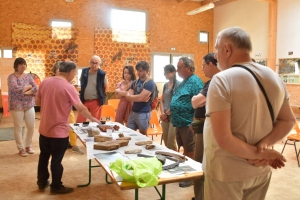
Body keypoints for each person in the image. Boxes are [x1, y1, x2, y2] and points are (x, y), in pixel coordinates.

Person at [203, 27, 295, 200]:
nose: (216, 55)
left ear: (227, 49)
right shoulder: (274, 77)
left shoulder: (222, 79)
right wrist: (264, 146)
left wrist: (259, 154)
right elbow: (288, 120)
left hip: (227, 173)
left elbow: (223, 138)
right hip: (260, 171)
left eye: (217, 49)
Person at [35, 61, 101, 194]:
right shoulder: (68, 87)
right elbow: (80, 107)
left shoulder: (45, 82)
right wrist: (93, 119)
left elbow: (37, 102)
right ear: (70, 72)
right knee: (56, 160)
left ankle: (42, 182)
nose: (74, 76)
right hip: (58, 132)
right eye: (75, 73)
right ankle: (56, 186)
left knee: (43, 156)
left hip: (44, 129)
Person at [170, 57, 204, 188]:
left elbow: (201, 104)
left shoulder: (196, 82)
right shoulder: (184, 81)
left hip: (188, 122)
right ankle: (187, 172)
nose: (176, 70)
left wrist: (194, 122)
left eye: (179, 67)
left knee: (191, 150)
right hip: (180, 122)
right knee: (185, 149)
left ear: (188, 69)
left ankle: (192, 176)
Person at [190, 53, 219, 200]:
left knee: (199, 164)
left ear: (211, 64)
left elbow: (196, 102)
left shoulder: (215, 81)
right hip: (203, 125)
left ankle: (200, 197)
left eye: (203, 66)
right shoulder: (212, 82)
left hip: (206, 128)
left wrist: (196, 100)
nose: (202, 69)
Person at [8, 57, 38, 157]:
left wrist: (28, 90)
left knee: (31, 126)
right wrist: (28, 88)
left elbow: (35, 87)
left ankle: (28, 145)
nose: (23, 66)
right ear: (16, 66)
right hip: (16, 105)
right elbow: (16, 89)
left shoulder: (29, 77)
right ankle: (21, 148)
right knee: (18, 127)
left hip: (29, 104)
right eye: (20, 64)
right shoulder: (11, 77)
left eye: (24, 64)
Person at [51, 61, 84, 155]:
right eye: (58, 70)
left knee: (72, 125)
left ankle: (74, 145)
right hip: (55, 110)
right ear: (55, 71)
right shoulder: (50, 81)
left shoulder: (66, 81)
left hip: (67, 109)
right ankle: (57, 146)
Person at [126, 61, 155, 135]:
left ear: (146, 71)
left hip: (144, 112)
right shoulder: (135, 82)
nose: (138, 73)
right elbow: (128, 97)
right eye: (137, 70)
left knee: (143, 136)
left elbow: (140, 98)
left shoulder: (150, 83)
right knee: (129, 133)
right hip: (133, 112)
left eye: (141, 71)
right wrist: (139, 97)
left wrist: (137, 97)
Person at [76, 55, 108, 122]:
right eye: (92, 62)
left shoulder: (102, 74)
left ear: (99, 63)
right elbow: (82, 84)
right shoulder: (84, 72)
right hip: (84, 101)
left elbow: (106, 87)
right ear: (90, 62)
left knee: (95, 122)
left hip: (96, 101)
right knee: (79, 121)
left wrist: (102, 99)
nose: (94, 65)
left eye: (96, 63)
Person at [159, 64, 181, 151]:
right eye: (164, 73)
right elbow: (162, 100)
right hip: (165, 116)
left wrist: (169, 112)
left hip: (174, 115)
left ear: (173, 72)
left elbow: (179, 101)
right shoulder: (166, 85)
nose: (165, 75)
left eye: (167, 73)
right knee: (166, 140)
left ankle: (175, 159)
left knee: (171, 141)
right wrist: (162, 113)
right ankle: (170, 158)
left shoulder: (179, 84)